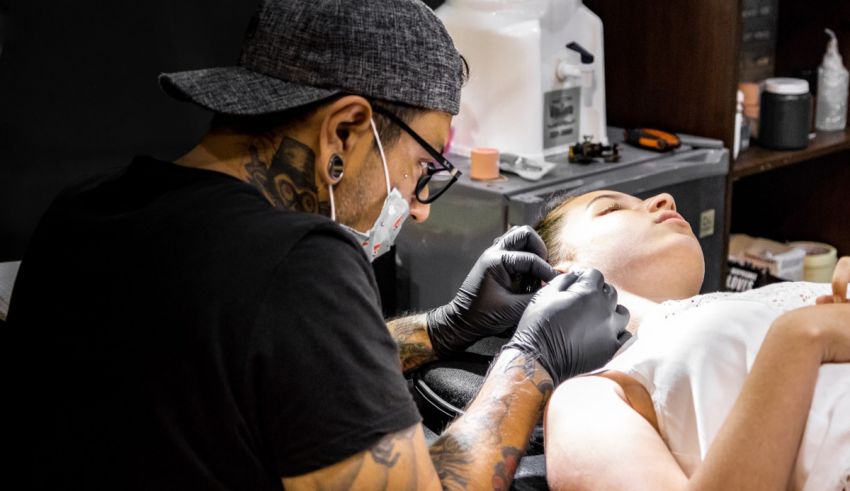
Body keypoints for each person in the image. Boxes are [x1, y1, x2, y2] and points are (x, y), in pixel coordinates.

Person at [6, 1, 630, 489]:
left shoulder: (85, 210)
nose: (416, 206)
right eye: (421, 169)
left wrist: (442, 329)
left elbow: (266, 371)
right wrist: (530, 362)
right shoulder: (298, 261)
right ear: (346, 131)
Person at [535, 189, 850, 490]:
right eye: (611, 208)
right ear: (561, 277)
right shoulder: (586, 397)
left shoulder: (756, 301)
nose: (665, 200)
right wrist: (799, 338)